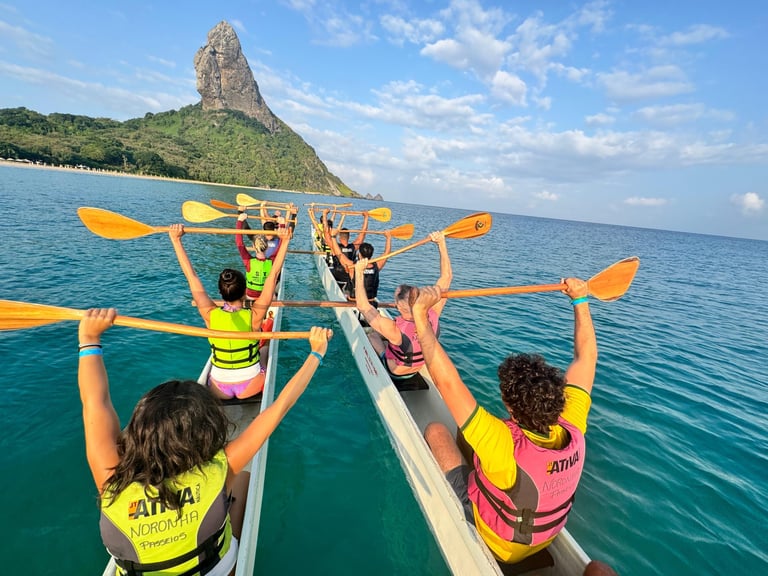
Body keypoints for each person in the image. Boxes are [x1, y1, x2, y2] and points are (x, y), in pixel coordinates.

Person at [77, 307, 331, 576]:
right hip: (216, 570)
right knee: (243, 479)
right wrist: (316, 353)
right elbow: (279, 407)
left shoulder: (112, 481)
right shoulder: (219, 470)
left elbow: (95, 404)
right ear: (203, 434)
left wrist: (88, 339)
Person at [409, 279, 597, 567]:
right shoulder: (574, 426)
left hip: (495, 541)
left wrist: (420, 316)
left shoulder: (502, 442)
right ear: (559, 396)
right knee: (469, 434)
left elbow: (446, 381)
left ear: (510, 406)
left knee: (436, 431)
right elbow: (586, 357)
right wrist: (580, 300)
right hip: (542, 539)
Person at [170, 223, 290, 400]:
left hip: (219, 388)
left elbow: (191, 276)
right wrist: (285, 241)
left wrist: (175, 240)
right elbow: (273, 276)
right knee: (265, 348)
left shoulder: (210, 314)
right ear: (244, 292)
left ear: (221, 293)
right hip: (250, 385)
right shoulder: (254, 315)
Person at [354, 231, 451, 382]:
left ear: (399, 307)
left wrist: (359, 272)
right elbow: (447, 277)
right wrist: (441, 243)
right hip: (419, 365)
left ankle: (382, 355)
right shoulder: (434, 312)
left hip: (396, 372)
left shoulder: (394, 329)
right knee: (392, 338)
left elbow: (362, 305)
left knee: (372, 335)